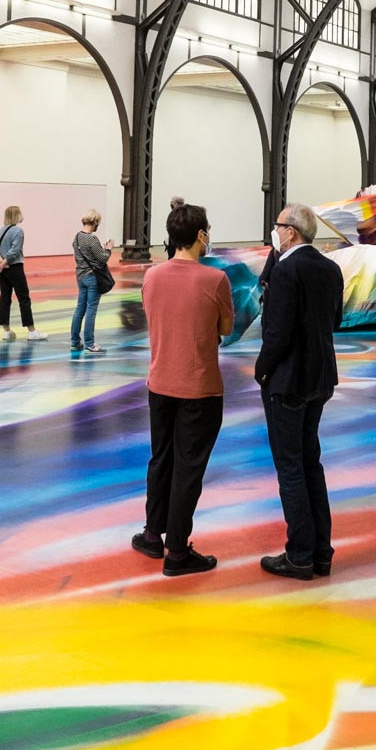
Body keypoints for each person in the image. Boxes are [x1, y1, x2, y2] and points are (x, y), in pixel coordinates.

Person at [134, 202, 234, 576]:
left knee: (161, 459)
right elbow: (226, 329)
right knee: (188, 469)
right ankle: (177, 552)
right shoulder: (215, 280)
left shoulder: (152, 276)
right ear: (201, 235)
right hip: (199, 388)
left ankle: (152, 534)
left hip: (159, 383)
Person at [255, 204, 344, 581]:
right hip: (320, 378)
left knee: (290, 467)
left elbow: (276, 333)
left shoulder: (286, 271)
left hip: (288, 381)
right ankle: (321, 552)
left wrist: (261, 369)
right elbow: (335, 320)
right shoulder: (331, 268)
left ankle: (300, 555)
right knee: (310, 463)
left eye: (277, 226)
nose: (275, 232)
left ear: (290, 231)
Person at [0, 206, 45, 342]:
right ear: (17, 215)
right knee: (24, 298)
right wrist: (5, 263)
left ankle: (6, 331)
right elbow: (14, 251)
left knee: (5, 298)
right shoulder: (18, 231)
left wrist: (1, 263)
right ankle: (31, 331)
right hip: (15, 268)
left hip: (2, 270)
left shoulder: (0, 231)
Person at [71, 209, 113, 354]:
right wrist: (108, 249)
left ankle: (75, 341)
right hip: (92, 277)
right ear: (95, 222)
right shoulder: (92, 239)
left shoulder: (77, 237)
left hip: (80, 276)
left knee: (80, 309)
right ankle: (90, 343)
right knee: (91, 309)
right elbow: (103, 258)